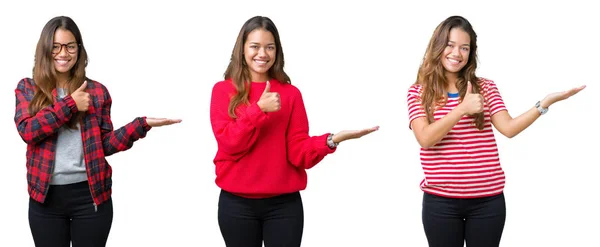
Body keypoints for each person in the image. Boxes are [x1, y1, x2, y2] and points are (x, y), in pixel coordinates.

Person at [406, 15, 585, 247]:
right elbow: (426, 139)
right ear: (437, 46)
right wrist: (462, 108)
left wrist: (545, 103)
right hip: (440, 203)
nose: (456, 53)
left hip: (487, 202)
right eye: (449, 45)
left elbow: (508, 129)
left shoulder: (486, 87)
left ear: (471, 53)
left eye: (464, 48)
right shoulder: (418, 92)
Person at [210, 15, 379, 247]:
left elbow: (298, 153)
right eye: (255, 46)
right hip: (236, 205)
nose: (263, 54)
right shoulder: (223, 91)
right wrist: (259, 109)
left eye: (270, 47)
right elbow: (230, 144)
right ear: (242, 50)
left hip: (283, 206)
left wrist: (332, 140)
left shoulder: (290, 94)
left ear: (277, 51)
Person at [13, 16, 181, 247]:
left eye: (70, 46)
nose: (64, 53)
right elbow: (28, 132)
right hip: (45, 199)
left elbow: (104, 146)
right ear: (45, 49)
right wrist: (70, 104)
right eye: (56, 47)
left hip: (91, 197)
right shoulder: (28, 87)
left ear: (79, 49)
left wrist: (141, 125)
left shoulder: (97, 91)